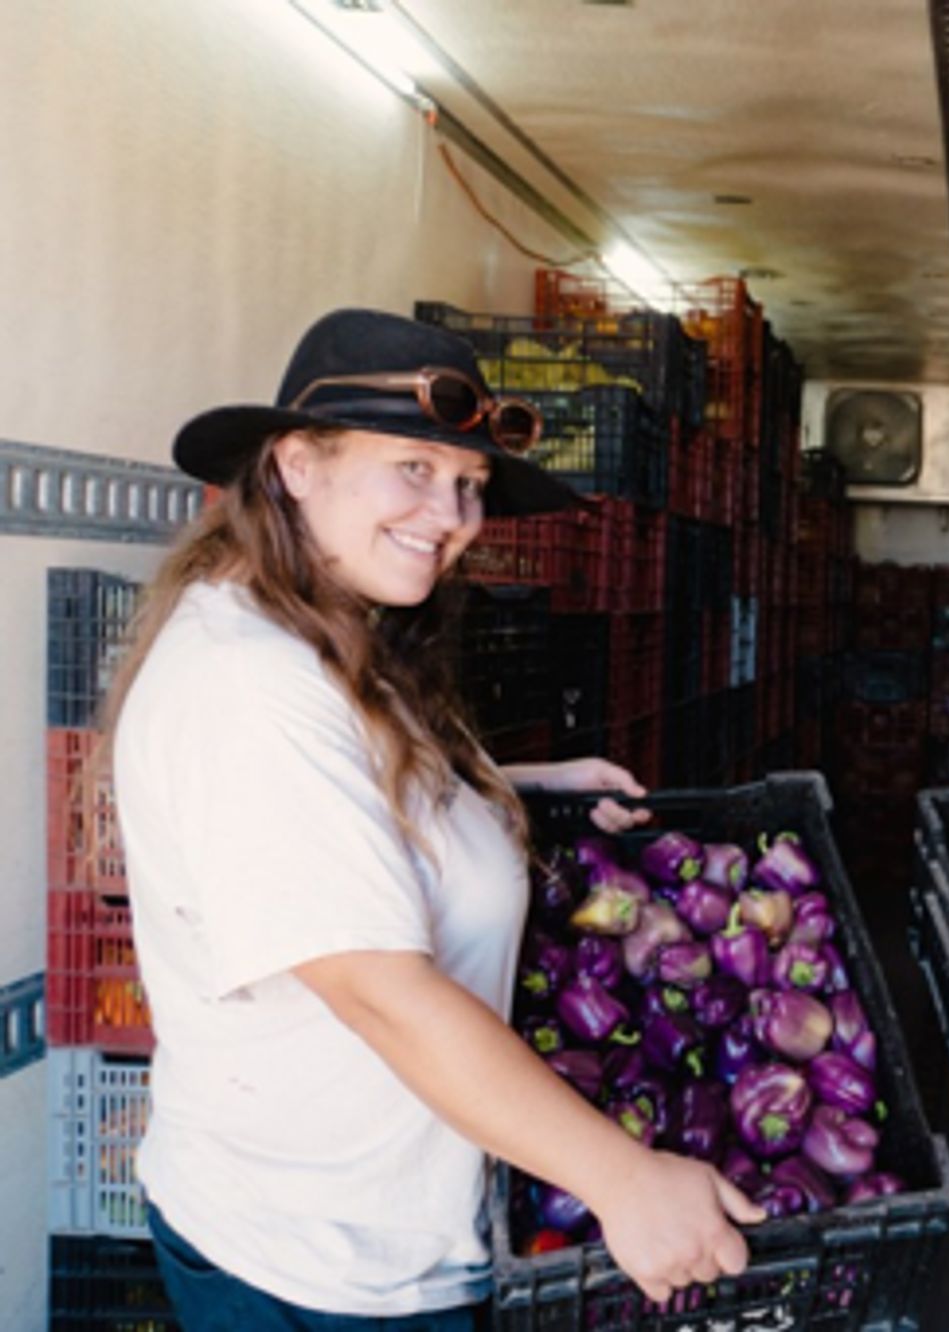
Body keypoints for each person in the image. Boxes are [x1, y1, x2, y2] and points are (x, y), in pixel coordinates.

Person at [103, 309, 763, 1329]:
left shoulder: (321, 631)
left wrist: (519, 785)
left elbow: (357, 797)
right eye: (412, 469)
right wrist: (621, 1178)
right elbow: (379, 990)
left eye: (468, 486)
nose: (449, 513)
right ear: (295, 466)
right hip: (317, 1266)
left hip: (382, 1230)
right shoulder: (248, 690)